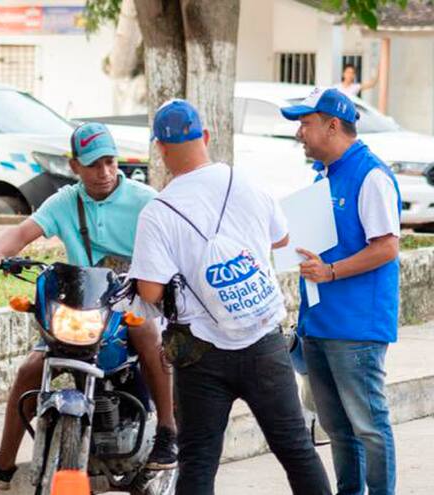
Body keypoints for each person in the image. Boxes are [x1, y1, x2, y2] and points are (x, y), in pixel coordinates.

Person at [0, 122, 178, 490]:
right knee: (30, 369)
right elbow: (23, 232)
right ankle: (3, 463)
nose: (103, 172)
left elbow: (172, 244)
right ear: (75, 167)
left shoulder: (145, 200)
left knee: (146, 331)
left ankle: (168, 432)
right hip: (83, 310)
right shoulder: (65, 201)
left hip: (132, 304)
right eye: (92, 164)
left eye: (109, 161)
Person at [129, 99, 332, 494]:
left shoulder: (158, 212)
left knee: (199, 460)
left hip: (200, 354)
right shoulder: (249, 182)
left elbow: (151, 291)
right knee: (295, 449)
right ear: (205, 136)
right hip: (264, 344)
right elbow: (281, 238)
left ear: (161, 148)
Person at [281, 87, 400, 495]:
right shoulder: (324, 175)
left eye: (306, 124)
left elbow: (386, 246)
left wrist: (329, 272)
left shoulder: (370, 175)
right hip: (320, 324)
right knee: (338, 428)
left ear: (333, 125)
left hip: (356, 328)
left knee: (368, 426)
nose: (300, 133)